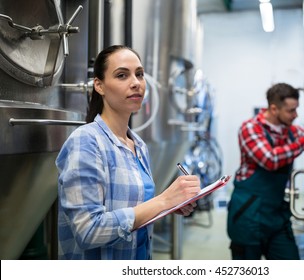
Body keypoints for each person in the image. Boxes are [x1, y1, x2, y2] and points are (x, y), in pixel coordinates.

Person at [55, 45, 201, 260]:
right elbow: (88, 231)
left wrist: (169, 206)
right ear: (99, 86)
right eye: (122, 75)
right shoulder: (86, 141)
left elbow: (134, 211)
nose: (136, 83)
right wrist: (162, 201)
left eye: (139, 74)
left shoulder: (139, 144)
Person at [227, 83, 304, 260]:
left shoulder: (292, 131)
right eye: (290, 111)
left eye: (296, 109)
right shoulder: (250, 128)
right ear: (274, 108)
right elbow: (270, 160)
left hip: (276, 218)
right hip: (248, 217)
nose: (295, 115)